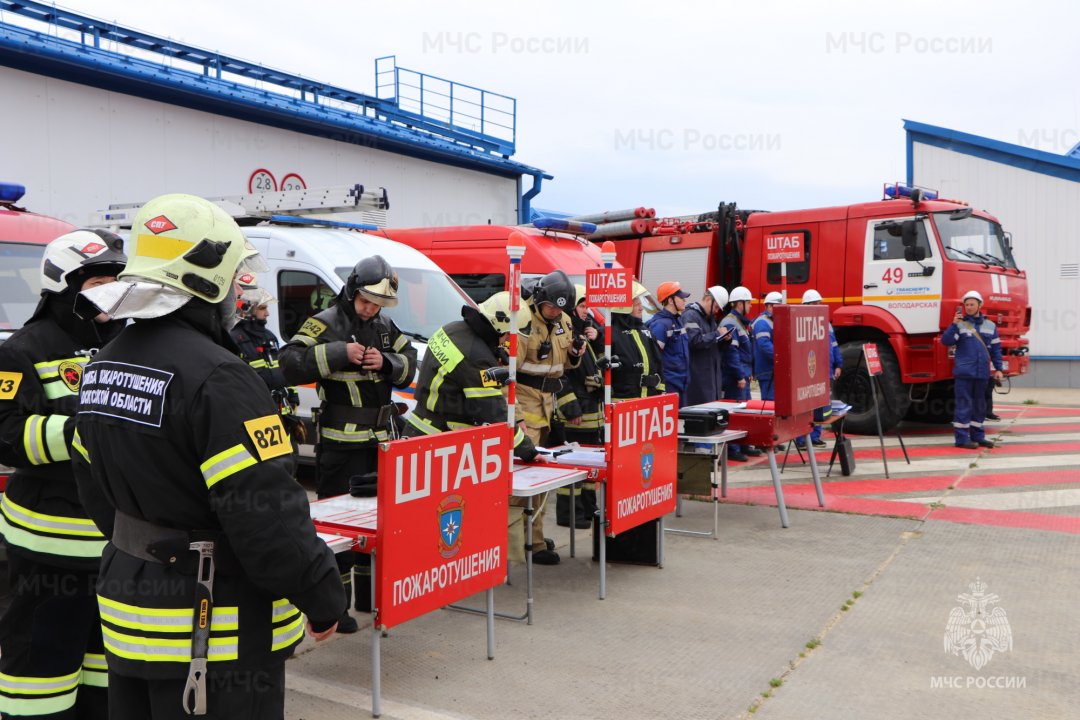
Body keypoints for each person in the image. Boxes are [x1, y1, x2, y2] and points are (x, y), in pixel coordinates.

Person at [72, 194, 345, 719]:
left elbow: (97, 494)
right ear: (208, 279)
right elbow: (266, 515)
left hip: (131, 615)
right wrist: (321, 594)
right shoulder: (219, 377)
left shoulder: (101, 366)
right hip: (213, 632)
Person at [0, 229, 126, 719]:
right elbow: (5, 433)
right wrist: (81, 433)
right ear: (63, 286)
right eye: (98, 281)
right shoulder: (22, 351)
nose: (109, 292)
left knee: (105, 672)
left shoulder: (125, 342)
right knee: (40, 674)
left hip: (113, 548)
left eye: (116, 281)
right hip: (47, 551)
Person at [279, 254, 417, 624]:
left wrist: (388, 363)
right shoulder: (324, 323)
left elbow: (410, 361)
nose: (371, 309)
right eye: (366, 301)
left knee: (376, 524)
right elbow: (289, 364)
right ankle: (336, 608)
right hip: (340, 447)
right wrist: (338, 352)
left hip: (380, 444)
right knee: (338, 527)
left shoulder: (386, 326)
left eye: (378, 304)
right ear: (352, 291)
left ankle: (370, 598)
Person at [402, 291, 538, 463]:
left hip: (418, 430)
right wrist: (528, 450)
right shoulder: (478, 357)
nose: (506, 342)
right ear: (498, 327)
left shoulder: (452, 329)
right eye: (507, 336)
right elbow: (493, 412)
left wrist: (493, 353)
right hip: (440, 444)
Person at [513, 270, 584, 565]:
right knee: (522, 484)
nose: (555, 313)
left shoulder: (563, 320)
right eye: (551, 307)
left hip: (548, 409)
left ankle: (535, 538)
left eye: (560, 308)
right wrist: (515, 420)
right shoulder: (524, 323)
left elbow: (565, 361)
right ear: (540, 299)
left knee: (542, 480)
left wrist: (576, 353)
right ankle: (523, 545)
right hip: (525, 408)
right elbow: (508, 378)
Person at [231, 282, 303, 470]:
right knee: (269, 468)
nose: (268, 313)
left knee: (290, 463)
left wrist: (292, 395)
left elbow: (285, 370)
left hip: (283, 417)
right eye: (263, 308)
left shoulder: (269, 337)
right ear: (247, 309)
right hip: (259, 418)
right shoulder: (235, 339)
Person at [554, 285, 604, 529]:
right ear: (572, 307)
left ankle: (587, 507)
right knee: (572, 465)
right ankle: (569, 514)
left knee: (589, 464)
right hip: (576, 411)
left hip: (591, 409)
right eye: (583, 306)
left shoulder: (584, 331)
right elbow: (560, 374)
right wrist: (570, 407)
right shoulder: (565, 332)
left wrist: (599, 335)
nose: (587, 311)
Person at [940, 290, 1004, 449]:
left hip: (982, 373)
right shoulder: (959, 324)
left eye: (972, 304)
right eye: (966, 304)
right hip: (964, 373)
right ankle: (961, 440)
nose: (968, 307)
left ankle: (978, 436)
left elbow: (996, 349)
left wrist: (998, 368)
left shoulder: (990, 325)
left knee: (979, 406)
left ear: (980, 305)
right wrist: (954, 325)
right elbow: (946, 341)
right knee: (964, 405)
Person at [720, 286, 760, 461]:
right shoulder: (730, 323)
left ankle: (744, 444)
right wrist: (739, 375)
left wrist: (748, 372)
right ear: (739, 304)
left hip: (744, 371)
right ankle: (733, 449)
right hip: (735, 375)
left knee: (744, 412)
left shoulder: (740, 322)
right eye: (748, 303)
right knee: (735, 412)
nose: (750, 306)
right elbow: (732, 353)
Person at [801, 289, 843, 449]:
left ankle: (815, 437)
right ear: (808, 305)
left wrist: (838, 364)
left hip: (826, 371)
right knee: (807, 407)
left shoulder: (826, 324)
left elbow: (834, 345)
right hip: (811, 372)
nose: (820, 306)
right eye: (817, 303)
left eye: (820, 303)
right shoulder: (803, 323)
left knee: (822, 406)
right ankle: (803, 439)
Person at [610, 282, 666, 401]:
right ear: (624, 308)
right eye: (636, 305)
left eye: (641, 304)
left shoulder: (646, 331)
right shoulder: (610, 333)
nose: (641, 308)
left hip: (649, 397)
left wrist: (661, 390)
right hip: (624, 400)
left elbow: (658, 363)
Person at [646, 281, 692, 407]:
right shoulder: (661, 325)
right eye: (681, 297)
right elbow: (653, 358)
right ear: (671, 301)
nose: (684, 300)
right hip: (669, 385)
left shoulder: (677, 321)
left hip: (681, 384)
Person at [751, 291, 783, 402]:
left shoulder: (773, 321)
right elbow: (764, 345)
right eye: (779, 306)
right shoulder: (762, 323)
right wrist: (782, 357)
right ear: (769, 306)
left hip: (773, 369)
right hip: (767, 370)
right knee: (769, 403)